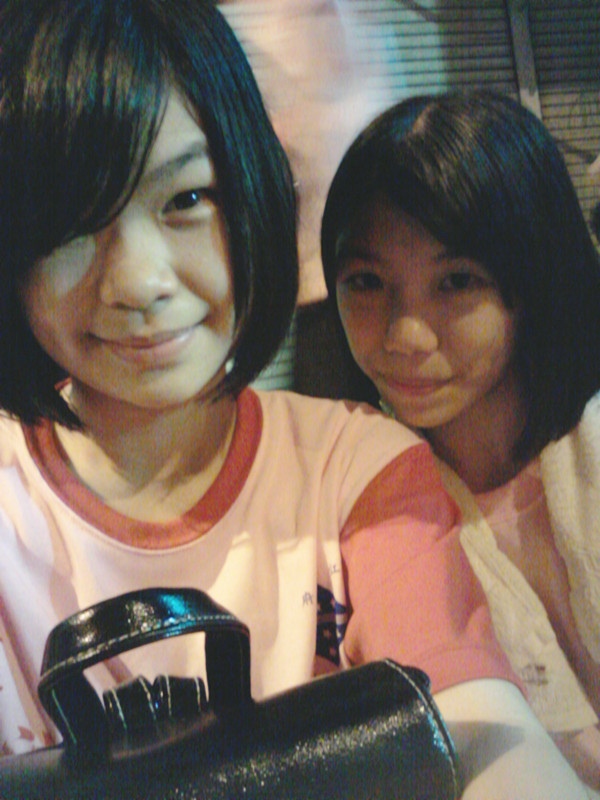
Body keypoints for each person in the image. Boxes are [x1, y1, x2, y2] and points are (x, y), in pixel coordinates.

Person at [0, 3, 589, 795]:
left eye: (187, 199)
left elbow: (476, 729)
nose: (138, 283)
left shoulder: (358, 468)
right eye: (71, 222)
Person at [321, 88, 600, 793]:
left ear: (533, 278)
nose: (405, 335)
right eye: (366, 281)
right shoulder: (363, 517)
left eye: (456, 281)